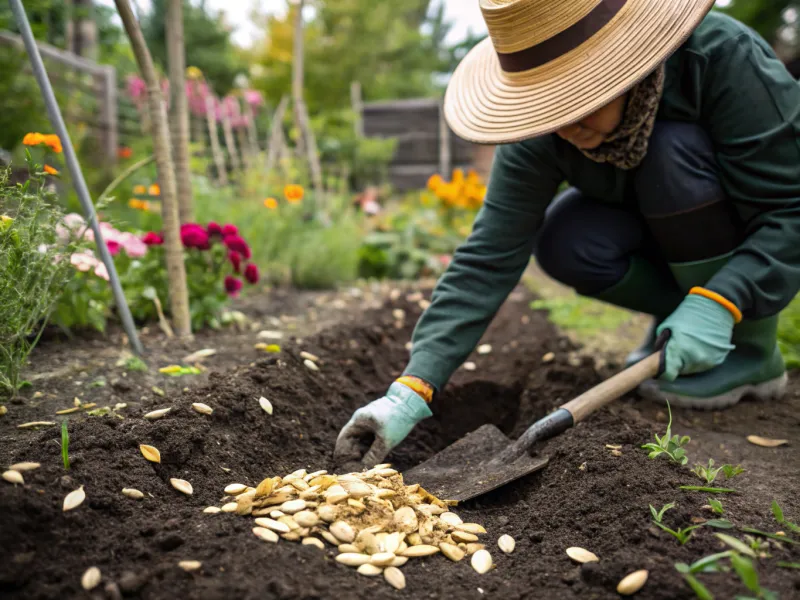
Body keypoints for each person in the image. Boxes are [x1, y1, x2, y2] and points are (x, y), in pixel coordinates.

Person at [335, 0, 800, 468]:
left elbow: (791, 209)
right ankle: (679, 326)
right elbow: (489, 254)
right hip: (654, 230)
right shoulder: (544, 131)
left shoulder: (722, 59)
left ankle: (751, 350)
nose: (564, 125)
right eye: (548, 104)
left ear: (628, 64)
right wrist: (412, 388)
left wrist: (726, 299)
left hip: (732, 223)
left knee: (669, 154)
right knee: (566, 238)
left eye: (578, 99)